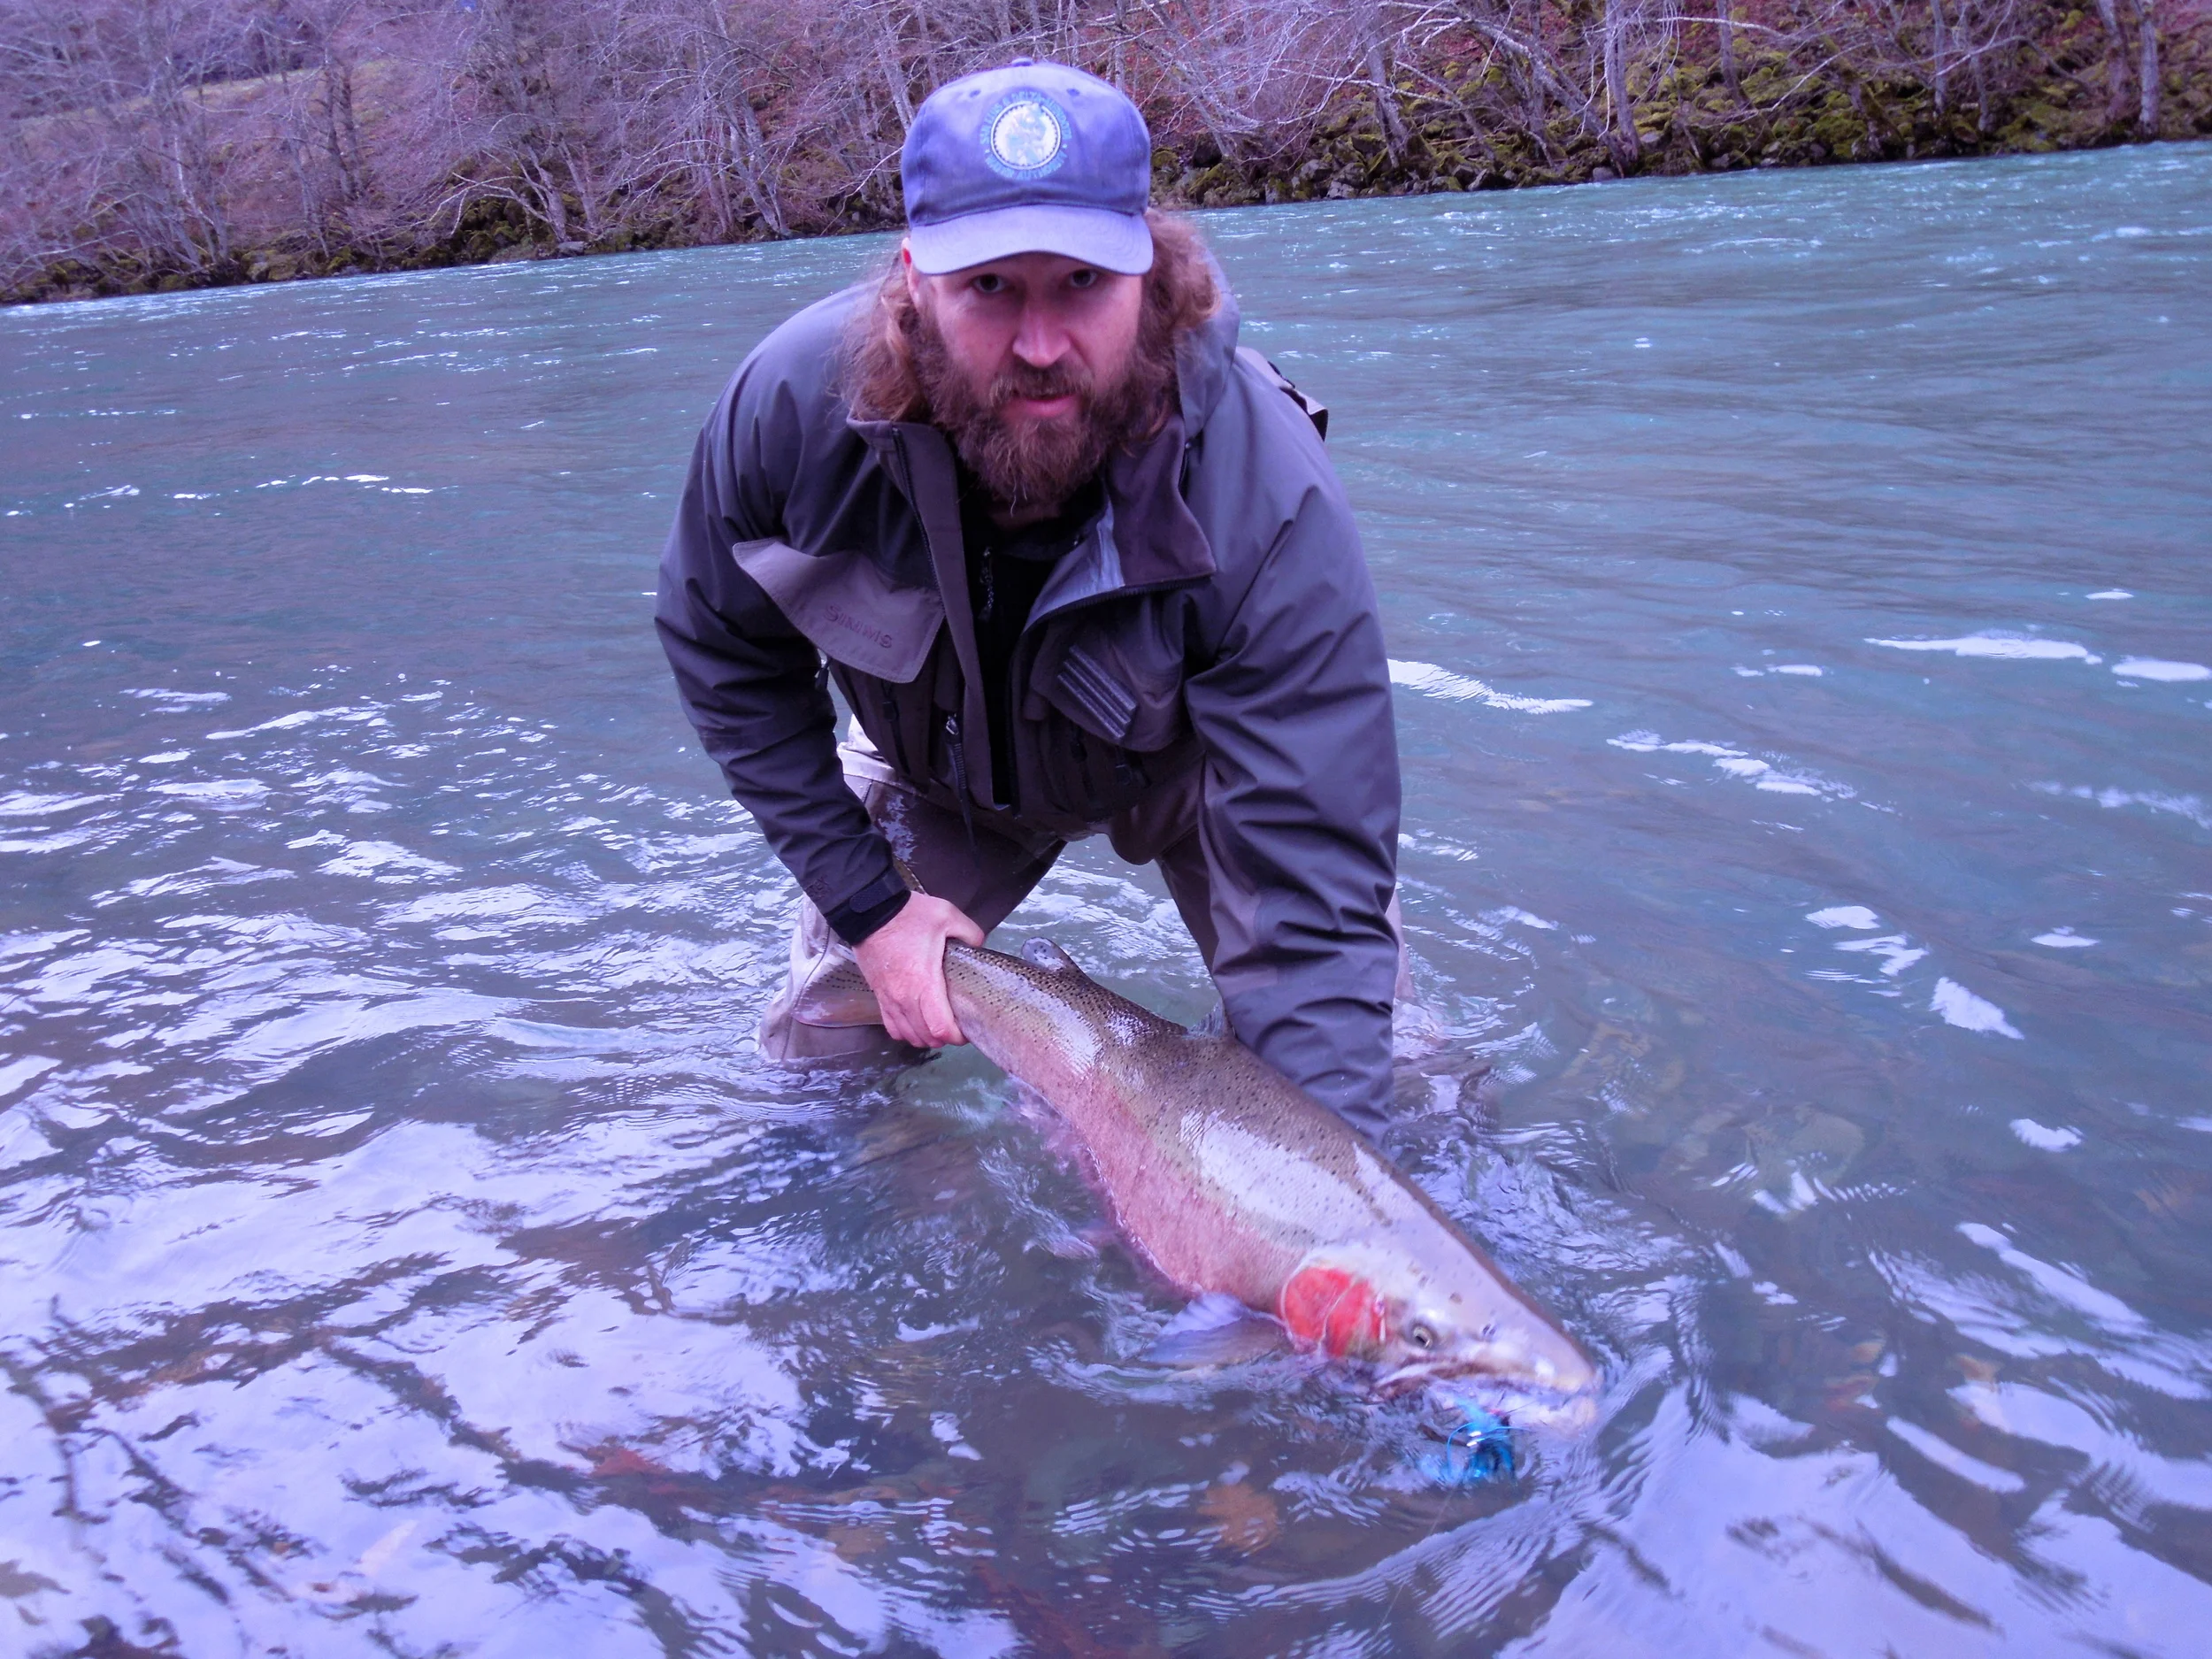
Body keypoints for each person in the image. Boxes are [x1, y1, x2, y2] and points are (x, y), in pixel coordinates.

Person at [656, 60, 1409, 1129]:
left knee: (1375, 1082)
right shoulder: (791, 415)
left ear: (1150, 274)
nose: (1041, 345)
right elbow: (723, 651)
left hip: (1194, 766)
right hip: (934, 769)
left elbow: (1313, 897)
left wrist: (1320, 1180)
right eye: (990, 288)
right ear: (915, 280)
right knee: (819, 1065)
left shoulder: (1264, 490)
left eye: (1082, 282)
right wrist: (870, 908)